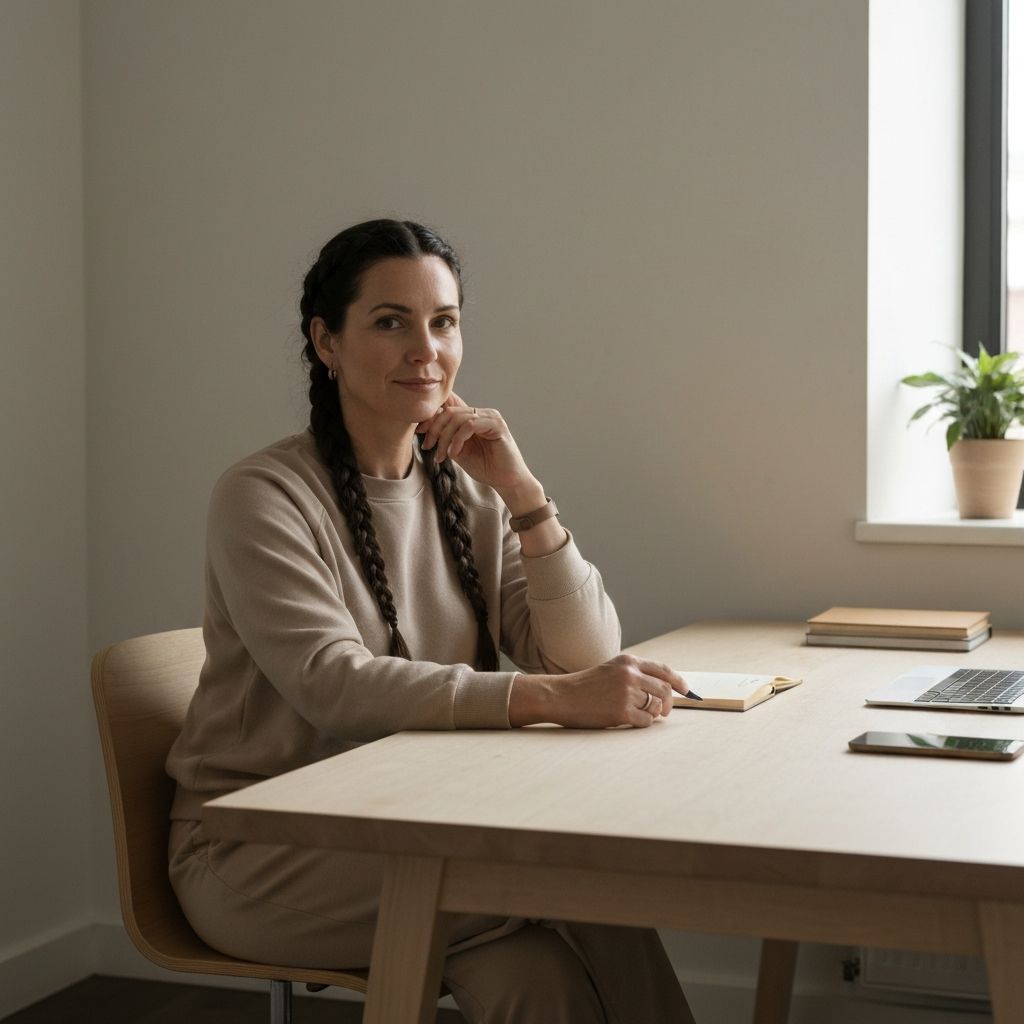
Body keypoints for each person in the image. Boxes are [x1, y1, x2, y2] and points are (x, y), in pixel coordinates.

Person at [165, 219, 697, 1023]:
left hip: (411, 828)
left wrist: (523, 494)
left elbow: (586, 652)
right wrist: (552, 701)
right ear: (326, 341)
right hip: (262, 850)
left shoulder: (470, 491)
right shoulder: (263, 497)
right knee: (580, 886)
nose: (426, 350)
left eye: (443, 322)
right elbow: (333, 686)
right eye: (390, 322)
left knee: (533, 977)